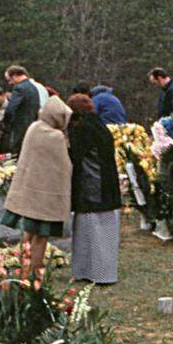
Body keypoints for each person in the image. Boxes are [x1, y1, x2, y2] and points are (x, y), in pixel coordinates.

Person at [0, 95, 73, 285]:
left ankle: (22, 268)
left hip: (29, 191)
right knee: (40, 237)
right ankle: (34, 273)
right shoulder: (56, 137)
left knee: (28, 233)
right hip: (46, 195)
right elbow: (64, 165)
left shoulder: (33, 128)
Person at [66, 94, 121, 285]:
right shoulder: (100, 126)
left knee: (89, 230)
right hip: (107, 184)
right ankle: (103, 272)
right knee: (104, 234)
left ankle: (91, 272)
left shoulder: (81, 129)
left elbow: (75, 155)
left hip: (92, 185)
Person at [3, 65, 42, 156]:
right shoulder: (34, 88)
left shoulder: (19, 88)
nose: (9, 83)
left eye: (9, 80)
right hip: (32, 127)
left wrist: (6, 123)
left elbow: (10, 109)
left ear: (15, 76)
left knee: (17, 154)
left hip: (19, 128)